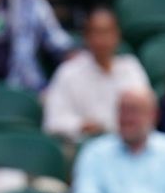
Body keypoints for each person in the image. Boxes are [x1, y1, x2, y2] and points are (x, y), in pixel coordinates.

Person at [40, 9, 150, 143]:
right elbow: (53, 121)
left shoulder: (131, 68)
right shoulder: (68, 72)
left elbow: (147, 112)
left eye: (107, 32)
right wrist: (81, 126)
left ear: (117, 35)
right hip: (84, 146)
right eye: (96, 33)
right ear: (86, 37)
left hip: (127, 144)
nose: (102, 39)